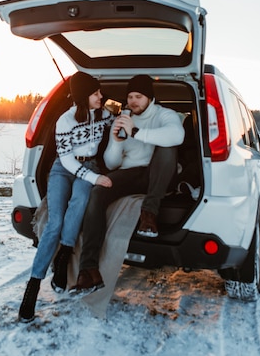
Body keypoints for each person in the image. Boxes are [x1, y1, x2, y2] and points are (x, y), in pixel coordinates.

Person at [69, 74, 185, 296]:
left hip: (160, 175)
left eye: (138, 96)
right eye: (130, 96)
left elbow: (176, 135)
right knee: (99, 191)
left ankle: (149, 215)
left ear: (149, 98)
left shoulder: (164, 115)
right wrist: (116, 142)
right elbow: (113, 163)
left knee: (168, 147)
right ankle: (89, 269)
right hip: (132, 174)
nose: (133, 101)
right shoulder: (122, 119)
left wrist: (137, 132)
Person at [18, 71, 114, 322]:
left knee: (80, 202)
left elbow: (119, 125)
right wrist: (95, 179)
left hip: (90, 166)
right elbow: (68, 159)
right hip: (64, 168)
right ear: (84, 96)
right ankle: (33, 286)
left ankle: (64, 256)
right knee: (54, 223)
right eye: (95, 93)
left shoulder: (104, 115)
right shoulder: (65, 121)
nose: (101, 96)